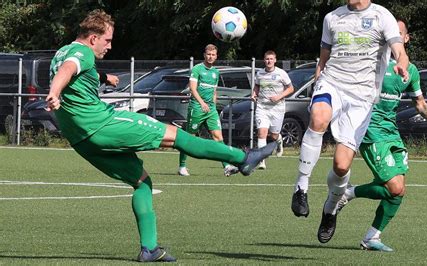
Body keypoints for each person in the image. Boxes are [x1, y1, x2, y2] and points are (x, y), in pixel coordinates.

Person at [46, 10, 276, 262]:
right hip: (101, 124)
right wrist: (54, 93)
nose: (110, 46)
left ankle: (149, 248)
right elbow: (68, 71)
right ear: (92, 38)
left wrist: (103, 77)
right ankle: (242, 158)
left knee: (142, 183)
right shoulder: (83, 53)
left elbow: (72, 69)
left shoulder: (62, 52)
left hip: (81, 140)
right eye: (108, 40)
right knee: (175, 135)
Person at [290, 0, 410, 245]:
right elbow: (323, 58)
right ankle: (301, 188)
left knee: (342, 166)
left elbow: (400, 51)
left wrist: (401, 64)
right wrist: (317, 78)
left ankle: (331, 208)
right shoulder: (332, 18)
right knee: (318, 117)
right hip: (332, 82)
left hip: (362, 97)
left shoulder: (381, 16)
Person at [335, 18, 427, 252]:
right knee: (394, 187)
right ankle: (347, 193)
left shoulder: (410, 71)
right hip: (371, 131)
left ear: (406, 38)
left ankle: (371, 237)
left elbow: (420, 104)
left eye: (398, 35)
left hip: (392, 133)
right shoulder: (371, 63)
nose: (394, 39)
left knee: (399, 190)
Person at [177, 44, 240, 177]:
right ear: (204, 55)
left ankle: (226, 166)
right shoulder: (197, 69)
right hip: (197, 107)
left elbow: (214, 91)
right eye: (208, 54)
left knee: (218, 137)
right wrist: (202, 103)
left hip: (210, 109)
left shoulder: (216, 72)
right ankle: (182, 166)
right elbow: (192, 89)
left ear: (216, 56)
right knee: (190, 137)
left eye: (213, 55)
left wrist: (213, 105)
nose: (211, 57)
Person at [251, 50, 294, 169]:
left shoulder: (281, 73)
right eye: (267, 59)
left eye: (271, 59)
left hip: (277, 108)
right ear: (264, 60)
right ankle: (261, 161)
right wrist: (254, 94)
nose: (269, 61)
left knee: (274, 136)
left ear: (275, 60)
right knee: (262, 133)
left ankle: (279, 141)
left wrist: (279, 97)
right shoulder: (259, 73)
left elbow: (291, 89)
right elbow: (257, 86)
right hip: (262, 107)